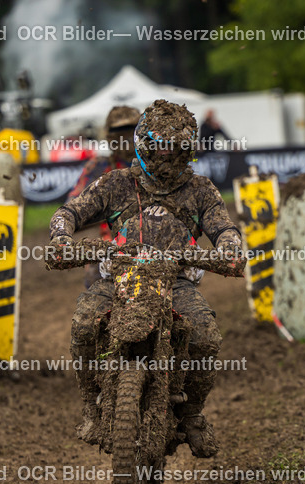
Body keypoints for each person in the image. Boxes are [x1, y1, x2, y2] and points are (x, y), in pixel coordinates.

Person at [49, 100, 243, 458]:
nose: (166, 156)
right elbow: (70, 211)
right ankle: (92, 408)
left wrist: (231, 248)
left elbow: (224, 228)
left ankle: (192, 416)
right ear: (146, 145)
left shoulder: (201, 190)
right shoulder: (116, 182)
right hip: (119, 275)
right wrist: (62, 236)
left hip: (176, 279)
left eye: (176, 148)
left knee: (204, 336)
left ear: (188, 149)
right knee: (83, 324)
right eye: (160, 147)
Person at [67, 105, 140, 288]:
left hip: (158, 246)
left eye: (130, 130)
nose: (125, 137)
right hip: (112, 249)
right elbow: (71, 208)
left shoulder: (159, 163)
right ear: (109, 135)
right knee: (95, 280)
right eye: (118, 131)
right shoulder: (99, 167)